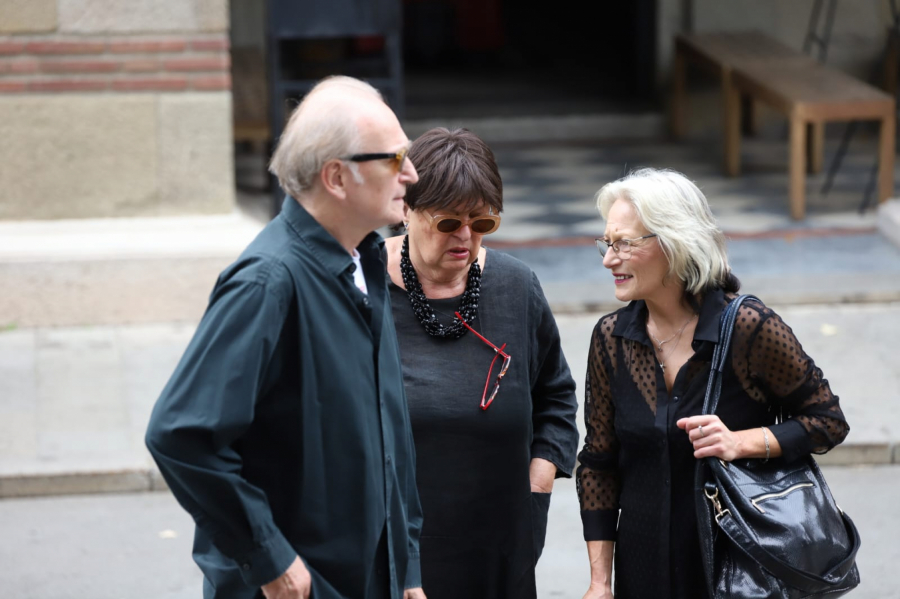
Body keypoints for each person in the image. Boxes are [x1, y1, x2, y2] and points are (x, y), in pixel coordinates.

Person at [145, 76, 427, 599]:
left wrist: (405, 569)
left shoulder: (366, 262)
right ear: (337, 177)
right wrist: (271, 560)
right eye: (394, 158)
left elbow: (389, 437)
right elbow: (181, 434)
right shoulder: (267, 283)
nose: (410, 173)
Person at [577, 168, 850, 599]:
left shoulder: (747, 327)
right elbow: (599, 465)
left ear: (675, 242)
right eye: (607, 243)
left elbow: (827, 420)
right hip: (642, 571)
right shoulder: (611, 339)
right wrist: (600, 581)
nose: (609, 259)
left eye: (624, 243)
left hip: (738, 572)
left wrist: (742, 442)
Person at [384, 127, 580, 599]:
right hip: (390, 546)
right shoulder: (358, 286)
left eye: (483, 222)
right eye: (449, 222)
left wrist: (538, 486)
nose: (466, 237)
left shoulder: (517, 286)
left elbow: (556, 397)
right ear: (406, 210)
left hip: (499, 545)